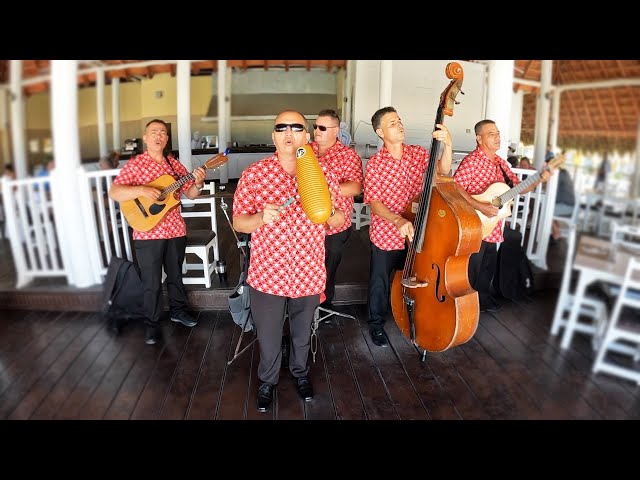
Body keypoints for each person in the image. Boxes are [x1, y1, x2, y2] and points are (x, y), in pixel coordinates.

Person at [232, 110, 348, 412]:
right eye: (281, 128)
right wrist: (260, 217)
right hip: (267, 274)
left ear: (306, 137)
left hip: (308, 272)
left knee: (301, 333)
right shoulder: (255, 174)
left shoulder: (325, 174)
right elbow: (239, 223)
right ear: (273, 136)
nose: (289, 133)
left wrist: (325, 213)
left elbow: (339, 218)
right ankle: (267, 380)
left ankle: (300, 372)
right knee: (268, 337)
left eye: (297, 128)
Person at [109, 119, 206, 346]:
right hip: (147, 232)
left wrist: (199, 183)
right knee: (151, 282)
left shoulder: (174, 165)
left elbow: (190, 194)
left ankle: (178, 311)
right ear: (145, 138)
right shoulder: (136, 164)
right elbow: (115, 191)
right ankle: (152, 324)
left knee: (175, 275)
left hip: (175, 230)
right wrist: (143, 189)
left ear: (166, 138)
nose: (158, 136)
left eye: (163, 132)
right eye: (154, 132)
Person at [363, 106, 453, 347]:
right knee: (380, 280)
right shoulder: (375, 164)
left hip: (418, 231)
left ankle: (413, 317)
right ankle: (376, 323)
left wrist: (448, 144)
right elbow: (374, 202)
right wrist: (397, 220)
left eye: (400, 120)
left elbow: (442, 171)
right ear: (380, 132)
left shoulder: (418, 153)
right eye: (392, 123)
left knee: (417, 276)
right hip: (387, 234)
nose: (399, 125)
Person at [452, 119, 551, 313]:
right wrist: (480, 205)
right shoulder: (472, 162)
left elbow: (519, 188)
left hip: (493, 223)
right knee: (473, 265)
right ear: (479, 139)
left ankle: (483, 299)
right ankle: (466, 305)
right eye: (491, 134)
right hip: (474, 222)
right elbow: (454, 189)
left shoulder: (501, 164)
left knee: (488, 263)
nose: (497, 137)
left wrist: (539, 178)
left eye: (498, 133)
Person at [310, 109, 363, 309]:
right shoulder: (305, 150)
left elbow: (356, 187)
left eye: (322, 127)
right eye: (315, 126)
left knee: (327, 271)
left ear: (336, 130)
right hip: (306, 224)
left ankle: (323, 308)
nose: (317, 131)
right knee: (305, 268)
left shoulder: (348, 156)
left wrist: (322, 191)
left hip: (334, 226)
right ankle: (303, 310)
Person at [551, 156, 576, 240]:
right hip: (568, 205)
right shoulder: (564, 172)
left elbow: (552, 190)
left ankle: (556, 231)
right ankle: (555, 228)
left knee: (544, 210)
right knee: (546, 208)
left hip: (566, 207)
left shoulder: (559, 174)